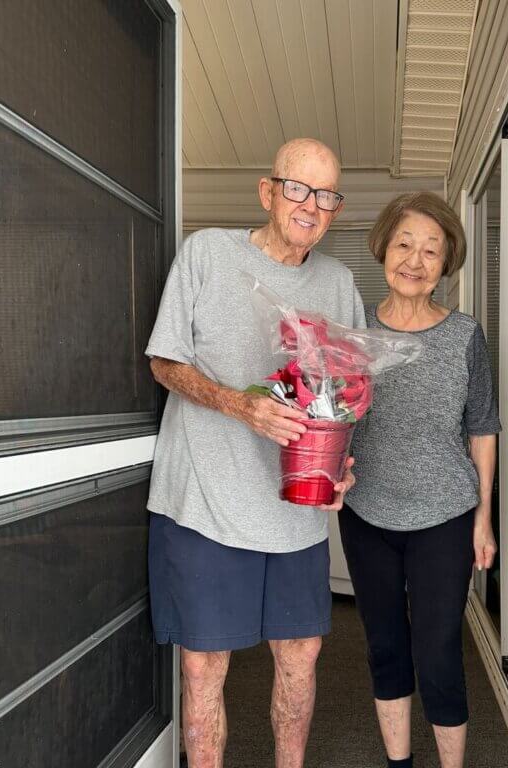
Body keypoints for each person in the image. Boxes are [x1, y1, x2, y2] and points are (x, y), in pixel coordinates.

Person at [145, 138, 364, 768]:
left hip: (295, 511)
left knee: (301, 658)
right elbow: (164, 362)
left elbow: (345, 397)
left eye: (326, 195)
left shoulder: (339, 282)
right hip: (205, 504)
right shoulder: (208, 254)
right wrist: (238, 404)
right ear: (268, 192)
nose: (311, 206)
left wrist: (341, 465)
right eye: (298, 188)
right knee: (204, 663)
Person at [339, 192, 500, 768]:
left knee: (438, 654)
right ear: (384, 247)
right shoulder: (352, 336)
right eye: (405, 243)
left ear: (446, 261)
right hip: (367, 515)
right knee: (385, 649)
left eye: (431, 249)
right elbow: (330, 417)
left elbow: (482, 427)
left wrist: (483, 518)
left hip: (445, 516)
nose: (415, 258)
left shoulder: (463, 337)